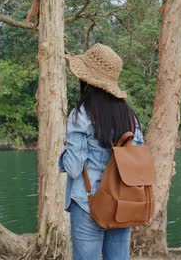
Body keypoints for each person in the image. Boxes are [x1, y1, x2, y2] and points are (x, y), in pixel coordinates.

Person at [58, 43, 144, 260]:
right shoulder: (130, 116)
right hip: (123, 203)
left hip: (89, 203)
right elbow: (138, 163)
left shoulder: (81, 115)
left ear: (86, 80)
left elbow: (73, 168)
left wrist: (61, 155)